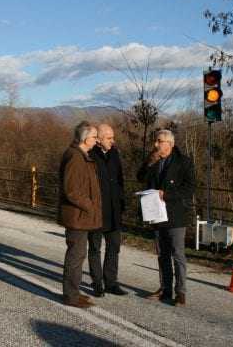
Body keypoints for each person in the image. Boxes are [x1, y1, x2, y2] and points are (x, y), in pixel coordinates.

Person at [136, 129, 195, 306]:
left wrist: (167, 194)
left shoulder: (183, 162)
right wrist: (149, 162)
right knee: (162, 254)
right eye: (156, 141)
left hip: (175, 215)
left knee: (177, 254)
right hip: (156, 214)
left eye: (159, 141)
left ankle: (181, 292)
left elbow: (190, 188)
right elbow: (140, 177)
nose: (156, 144)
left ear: (170, 144)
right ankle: (165, 289)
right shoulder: (154, 161)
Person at [58, 121, 102, 308]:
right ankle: (70, 296)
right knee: (75, 257)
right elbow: (72, 190)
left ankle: (73, 292)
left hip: (80, 216)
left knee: (78, 255)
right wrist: (90, 206)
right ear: (85, 138)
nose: (96, 140)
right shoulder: (75, 157)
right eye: (94, 137)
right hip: (77, 216)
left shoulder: (81, 155)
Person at [87, 124, 127, 297]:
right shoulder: (90, 156)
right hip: (96, 211)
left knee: (114, 246)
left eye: (113, 137)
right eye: (109, 138)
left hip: (114, 210)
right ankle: (97, 283)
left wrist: (121, 202)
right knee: (95, 247)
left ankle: (111, 282)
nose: (113, 141)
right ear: (99, 139)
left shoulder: (114, 154)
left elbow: (120, 180)